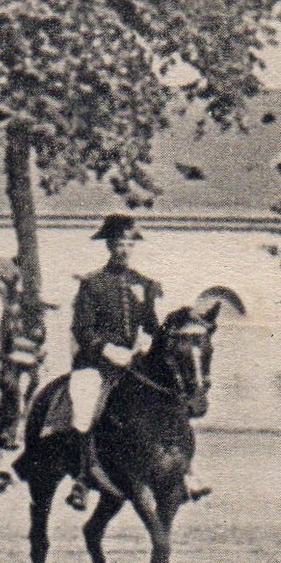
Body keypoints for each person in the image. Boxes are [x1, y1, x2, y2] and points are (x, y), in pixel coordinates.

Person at [66, 214, 208, 508]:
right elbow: (82, 328)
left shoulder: (144, 284)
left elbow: (150, 325)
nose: (124, 249)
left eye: (129, 243)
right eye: (119, 243)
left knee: (173, 395)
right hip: (98, 364)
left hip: (133, 363)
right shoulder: (92, 284)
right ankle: (81, 479)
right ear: (108, 246)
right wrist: (106, 350)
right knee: (84, 405)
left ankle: (186, 471)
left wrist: (161, 338)